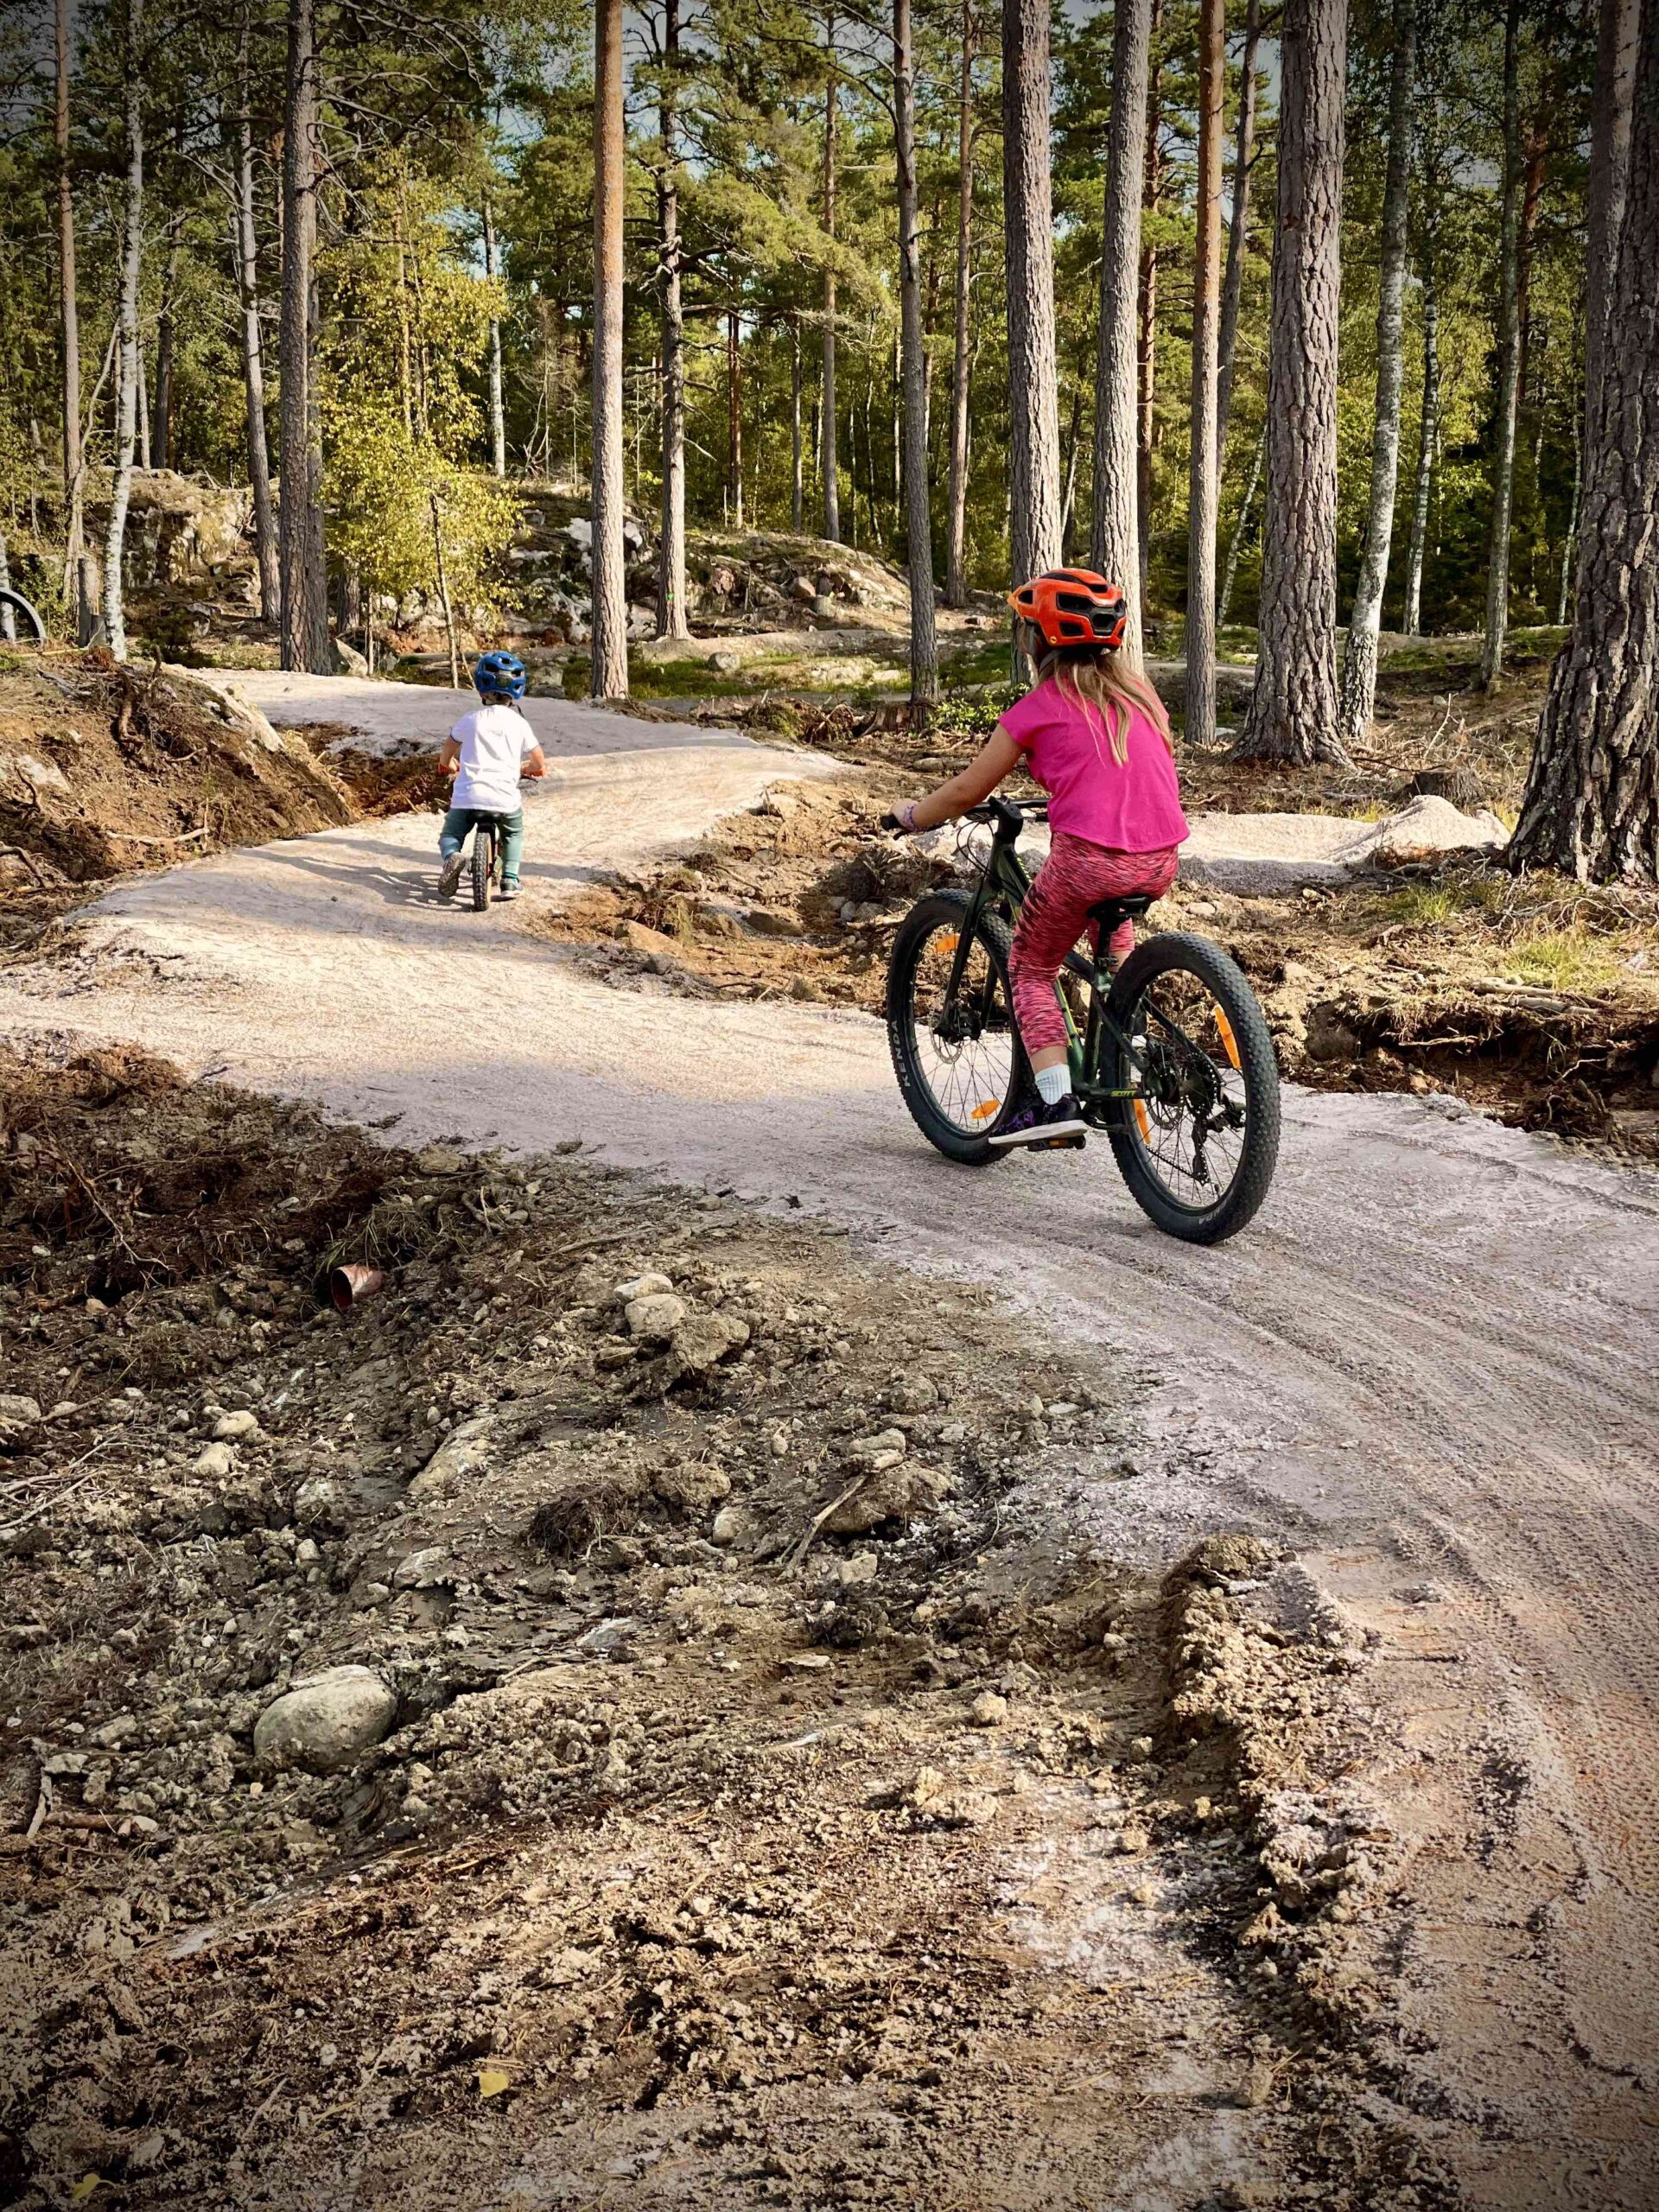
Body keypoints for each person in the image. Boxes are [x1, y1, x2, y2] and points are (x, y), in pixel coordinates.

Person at [887, 569, 1188, 1150]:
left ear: (1038, 641)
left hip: (1089, 864)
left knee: (1030, 966)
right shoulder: (1142, 694)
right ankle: (1134, 1045)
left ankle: (1054, 1103)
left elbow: (963, 794)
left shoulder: (1038, 708)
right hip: (1159, 858)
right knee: (1112, 945)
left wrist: (912, 816)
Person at [437, 652, 547, 901]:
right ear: (517, 692)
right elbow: (538, 759)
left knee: (450, 835)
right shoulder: (519, 724)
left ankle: (452, 856)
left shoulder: (471, 719)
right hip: (503, 800)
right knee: (514, 833)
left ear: (481, 689)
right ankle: (510, 879)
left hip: (467, 797)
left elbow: (448, 746)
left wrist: (448, 764)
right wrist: (531, 769)